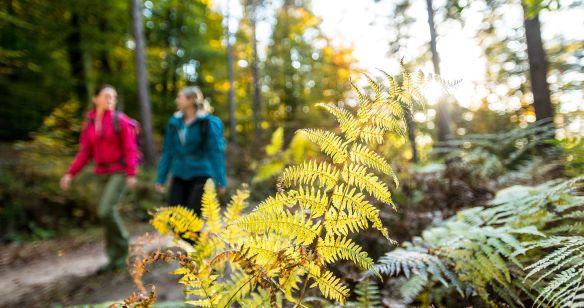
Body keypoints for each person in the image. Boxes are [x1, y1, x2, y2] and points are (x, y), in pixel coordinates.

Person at [60, 84, 139, 273]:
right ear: (95, 99)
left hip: (119, 172)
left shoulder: (121, 120)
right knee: (105, 216)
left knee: (105, 211)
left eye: (113, 96)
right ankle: (115, 258)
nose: (110, 99)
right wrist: (70, 173)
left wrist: (131, 173)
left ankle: (123, 246)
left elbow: (130, 148)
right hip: (101, 174)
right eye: (106, 96)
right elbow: (85, 152)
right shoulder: (89, 123)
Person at [155, 86, 227, 214]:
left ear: (190, 100)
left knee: (192, 219)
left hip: (201, 175)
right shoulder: (174, 123)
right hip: (179, 174)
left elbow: (215, 153)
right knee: (175, 217)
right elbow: (167, 152)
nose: (177, 100)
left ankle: (193, 235)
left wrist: (220, 180)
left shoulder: (207, 123)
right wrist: (161, 178)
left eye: (180, 97)